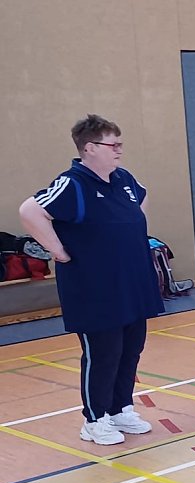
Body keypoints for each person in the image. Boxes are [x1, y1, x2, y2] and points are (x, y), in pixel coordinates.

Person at [19, 114, 164, 446]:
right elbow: (30, 210)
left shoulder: (123, 178)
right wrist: (58, 250)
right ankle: (95, 418)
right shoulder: (74, 183)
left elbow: (141, 199)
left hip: (131, 282)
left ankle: (120, 407)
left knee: (131, 348)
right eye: (113, 144)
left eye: (119, 143)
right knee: (103, 352)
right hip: (94, 288)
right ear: (89, 148)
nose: (119, 150)